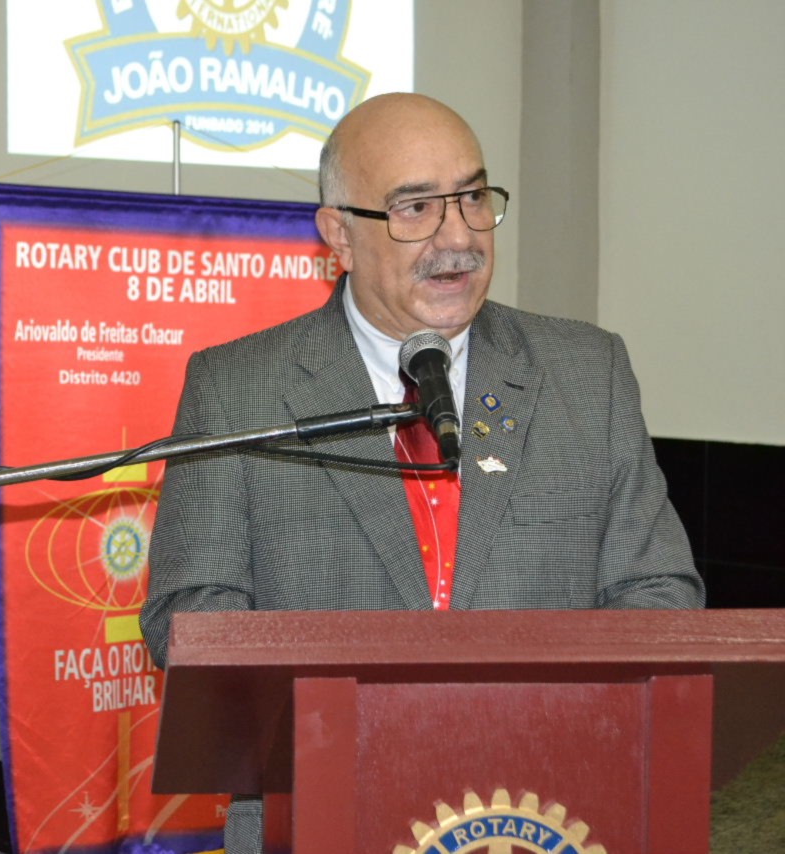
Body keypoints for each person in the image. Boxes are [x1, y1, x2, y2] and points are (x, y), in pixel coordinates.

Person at [138, 93, 704, 854]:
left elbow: (658, 594)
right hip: (324, 809)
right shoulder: (239, 390)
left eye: (473, 198)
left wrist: (550, 722)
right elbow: (190, 621)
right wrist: (376, 718)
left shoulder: (584, 371)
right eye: (416, 208)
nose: (459, 236)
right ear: (339, 234)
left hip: (550, 812)